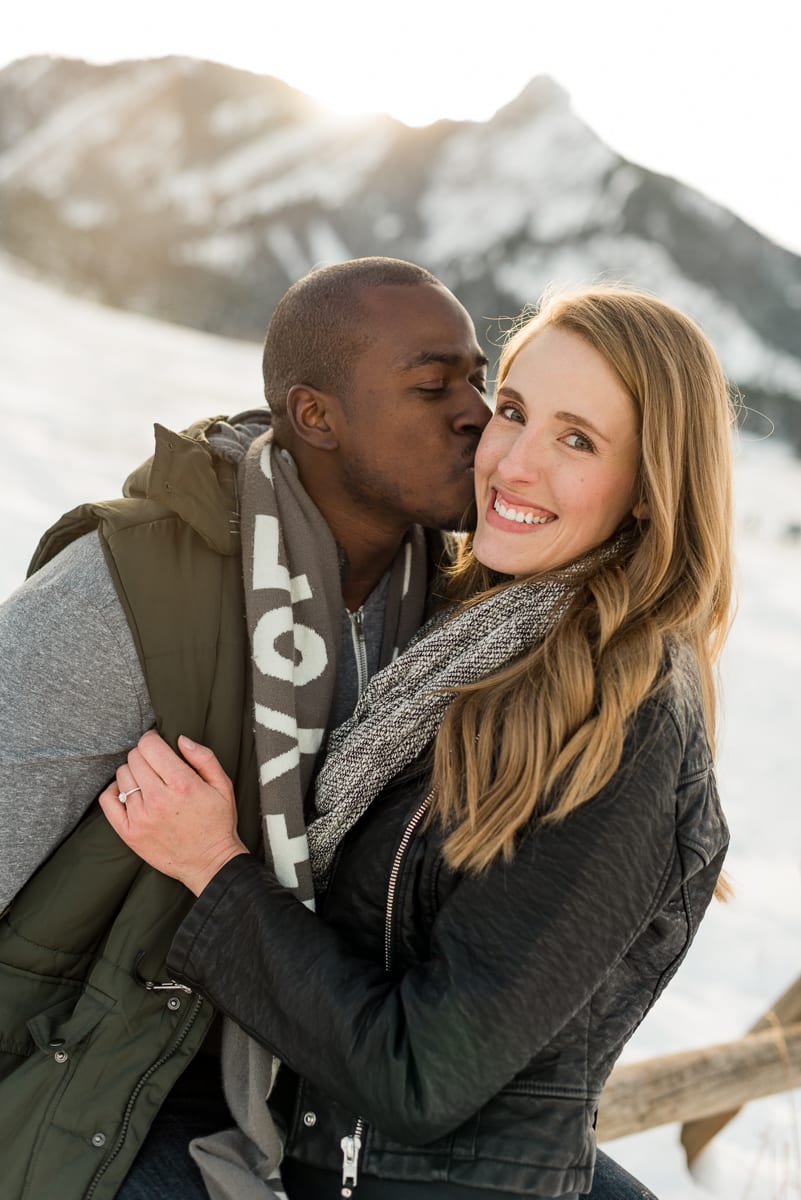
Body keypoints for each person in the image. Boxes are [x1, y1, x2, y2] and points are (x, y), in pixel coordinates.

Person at [0, 259, 645, 1200]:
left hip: (313, 1061)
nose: (474, 415)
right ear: (316, 417)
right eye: (433, 388)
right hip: (98, 1071)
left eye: (477, 382)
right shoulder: (126, 592)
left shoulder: (456, 610)